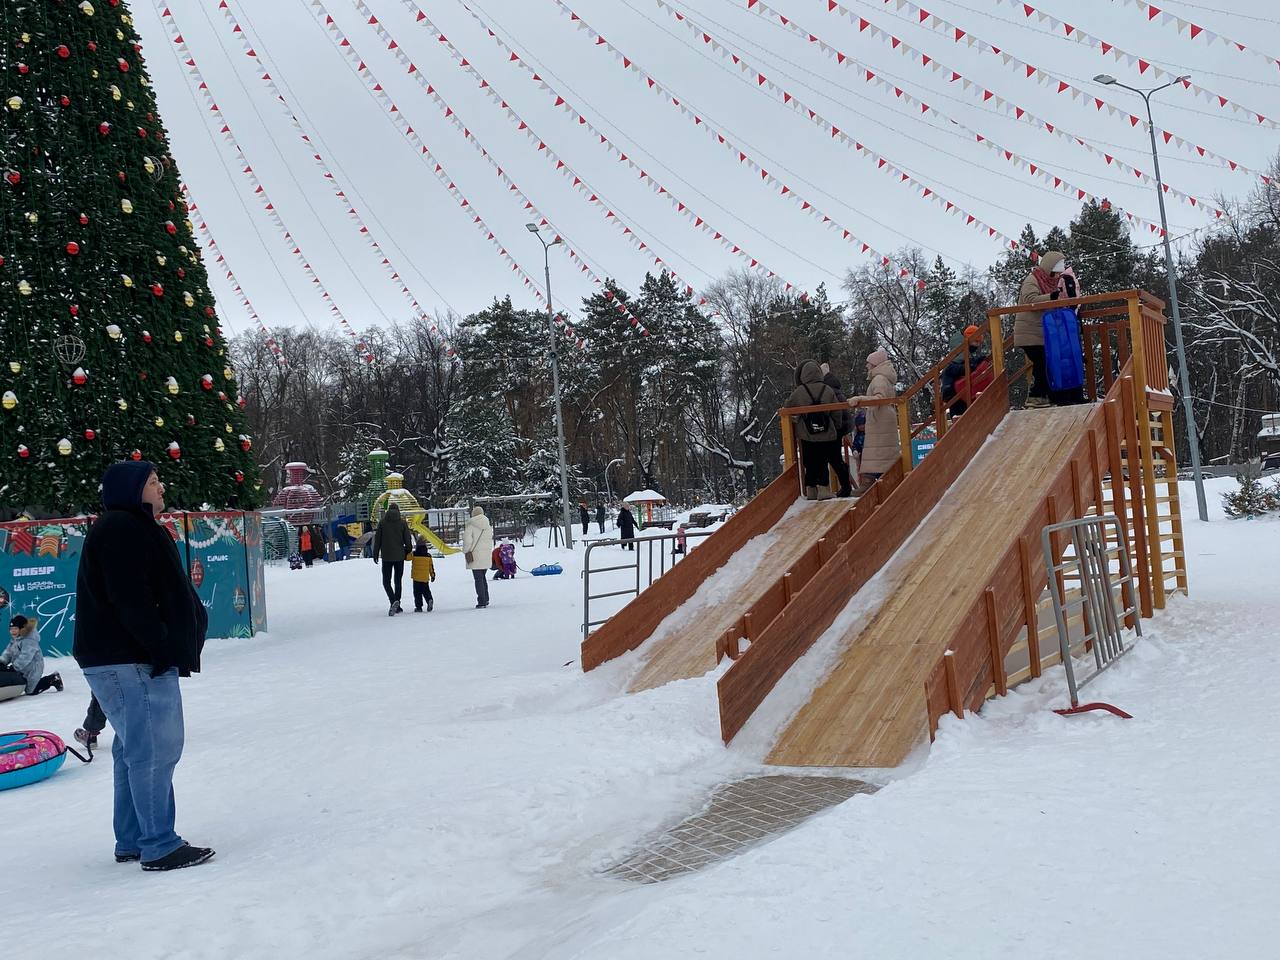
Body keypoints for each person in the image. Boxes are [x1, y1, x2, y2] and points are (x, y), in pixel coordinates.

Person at [73, 460, 213, 872]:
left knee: (132, 747)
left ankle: (134, 838)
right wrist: (160, 646)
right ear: (132, 491)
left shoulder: (128, 526)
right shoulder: (121, 528)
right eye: (153, 483)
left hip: (120, 658)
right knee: (153, 748)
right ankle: (159, 844)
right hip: (131, 659)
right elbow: (129, 595)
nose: (161, 488)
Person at [1015, 250, 1081, 409]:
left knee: (1048, 361)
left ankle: (1048, 395)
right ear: (1048, 266)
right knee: (1043, 361)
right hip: (1029, 331)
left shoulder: (1053, 282)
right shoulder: (1032, 279)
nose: (1057, 273)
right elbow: (1030, 300)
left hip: (1043, 332)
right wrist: (1052, 297)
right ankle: (1036, 396)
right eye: (1056, 268)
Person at [786, 360, 843, 500]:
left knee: (809, 462)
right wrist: (836, 425)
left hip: (806, 434)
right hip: (826, 433)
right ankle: (824, 489)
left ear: (803, 375)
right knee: (822, 460)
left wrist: (796, 420)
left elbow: (787, 408)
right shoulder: (827, 389)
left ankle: (810, 490)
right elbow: (836, 410)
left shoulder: (799, 392)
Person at [848, 350, 900, 494]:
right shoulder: (884, 378)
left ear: (875, 364)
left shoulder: (879, 379)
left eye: (869, 363)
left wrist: (859, 399)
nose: (866, 366)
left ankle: (869, 483)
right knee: (881, 452)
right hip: (882, 417)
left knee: (876, 452)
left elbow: (879, 398)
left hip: (879, 418)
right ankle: (884, 482)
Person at [1, 615, 62, 696]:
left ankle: (53, 679)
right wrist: (2, 661)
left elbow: (26, 656)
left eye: (15, 629)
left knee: (31, 691)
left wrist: (14, 667)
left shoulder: (29, 640)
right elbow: (8, 652)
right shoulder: (16, 639)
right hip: (22, 668)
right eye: (11, 629)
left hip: (33, 668)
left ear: (22, 629)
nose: (13, 631)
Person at [820, 362, 855, 497]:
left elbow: (835, 410)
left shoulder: (828, 389)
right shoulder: (833, 386)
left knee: (834, 458)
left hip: (836, 427)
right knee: (834, 457)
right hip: (840, 425)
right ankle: (846, 486)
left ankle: (846, 487)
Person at [373, 502, 412, 616]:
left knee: (386, 581)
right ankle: (397, 604)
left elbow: (378, 540)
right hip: (399, 556)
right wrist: (407, 551)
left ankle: (393, 600)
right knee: (397, 581)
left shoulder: (382, 523)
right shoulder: (402, 523)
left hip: (386, 556)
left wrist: (375, 553)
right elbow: (408, 540)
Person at [462, 506, 495, 608]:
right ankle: (486, 598)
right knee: (482, 577)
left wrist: (466, 551)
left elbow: (467, 541)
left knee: (478, 579)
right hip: (486, 555)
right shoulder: (488, 526)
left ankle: (482, 601)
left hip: (475, 555)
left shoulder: (470, 525)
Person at [410, 537, 436, 613]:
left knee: (417, 593)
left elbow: (407, 558)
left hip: (416, 577)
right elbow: (431, 566)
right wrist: (432, 575)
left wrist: (407, 551)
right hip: (425, 577)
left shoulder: (414, 554)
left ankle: (419, 607)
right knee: (426, 591)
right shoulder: (428, 556)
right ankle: (429, 600)